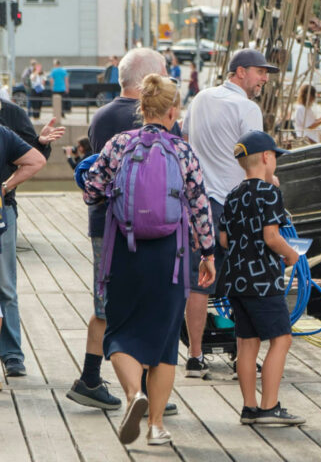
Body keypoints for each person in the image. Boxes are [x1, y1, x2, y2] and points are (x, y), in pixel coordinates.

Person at [83, 74, 216, 446]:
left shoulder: (119, 144)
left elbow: (92, 192)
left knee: (120, 332)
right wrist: (208, 254)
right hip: (169, 257)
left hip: (125, 251)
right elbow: (201, 207)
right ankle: (156, 426)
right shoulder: (183, 151)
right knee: (164, 343)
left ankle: (131, 395)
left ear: (142, 108)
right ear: (174, 110)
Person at [67, 48, 169, 411]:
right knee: (145, 303)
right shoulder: (155, 121)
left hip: (103, 221)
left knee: (105, 302)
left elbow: (95, 172)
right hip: (146, 225)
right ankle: (143, 389)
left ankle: (91, 377)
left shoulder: (102, 117)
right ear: (149, 79)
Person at [181, 48, 277, 378]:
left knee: (198, 283)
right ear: (240, 72)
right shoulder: (248, 109)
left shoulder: (199, 99)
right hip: (235, 203)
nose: (264, 79)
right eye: (260, 72)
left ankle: (194, 358)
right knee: (243, 281)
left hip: (198, 203)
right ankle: (242, 358)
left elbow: (184, 139)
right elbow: (257, 160)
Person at [219, 130, 305, 426]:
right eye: (275, 157)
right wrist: (291, 254)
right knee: (281, 339)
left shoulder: (232, 195)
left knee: (246, 343)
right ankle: (269, 407)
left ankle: (249, 408)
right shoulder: (270, 192)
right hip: (263, 281)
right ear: (267, 158)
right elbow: (272, 236)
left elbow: (222, 239)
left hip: (236, 280)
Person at [0, 110, 55, 377]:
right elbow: (34, 161)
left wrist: (5, 187)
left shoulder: (10, 119)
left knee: (6, 286)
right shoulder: (3, 131)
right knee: (6, 286)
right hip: (3, 210)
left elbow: (35, 157)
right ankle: (12, 356)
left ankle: (12, 353)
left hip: (4, 210)